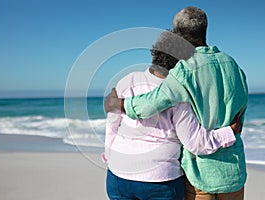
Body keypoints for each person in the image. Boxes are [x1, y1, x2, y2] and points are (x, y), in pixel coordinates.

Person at [104, 6, 248, 200]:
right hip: (233, 171)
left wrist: (117, 105)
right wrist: (232, 130)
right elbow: (241, 108)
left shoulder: (183, 72)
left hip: (200, 175)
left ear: (178, 35)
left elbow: (150, 103)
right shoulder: (233, 66)